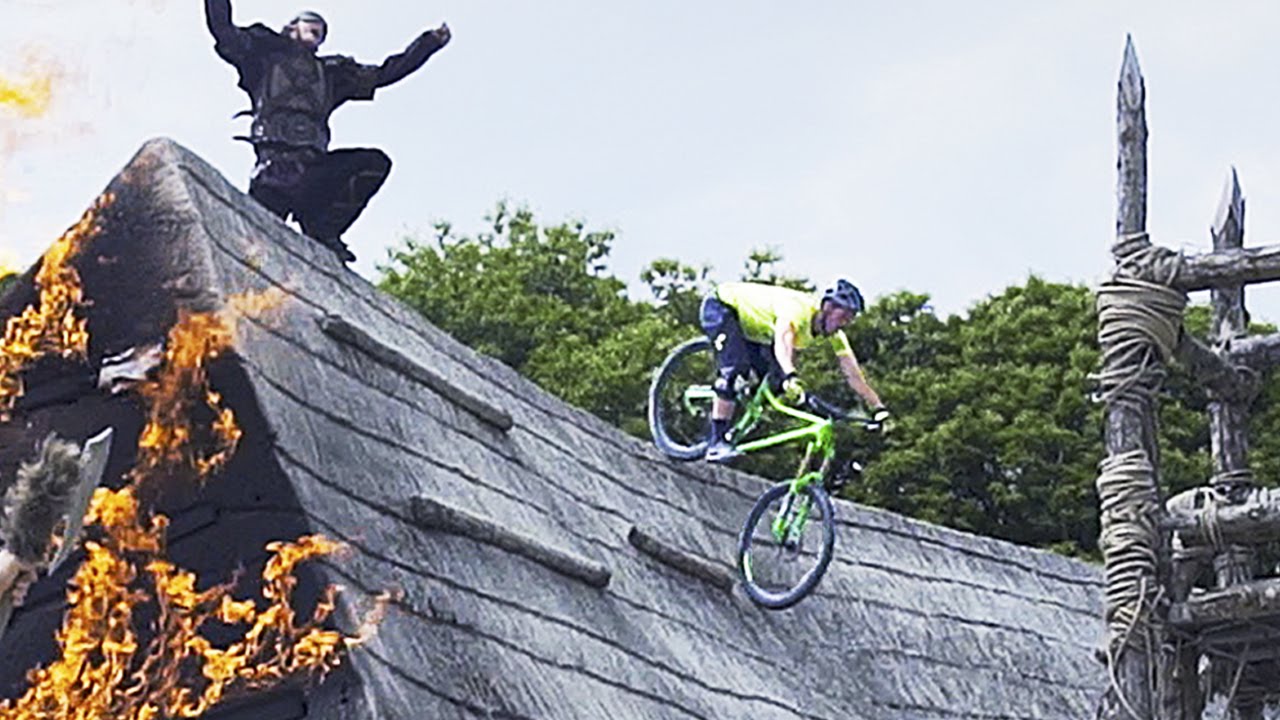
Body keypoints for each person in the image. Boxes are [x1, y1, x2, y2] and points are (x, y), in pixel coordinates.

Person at [204, 3, 452, 262]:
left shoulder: (332, 74)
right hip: (273, 172)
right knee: (252, 249)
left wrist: (428, 44)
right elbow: (224, 30)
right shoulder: (263, 56)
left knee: (373, 163)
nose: (319, 29)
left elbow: (384, 73)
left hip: (313, 173)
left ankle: (323, 229)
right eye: (311, 23)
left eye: (323, 31)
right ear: (291, 27)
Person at [699, 279, 888, 462]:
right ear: (828, 308)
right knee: (735, 372)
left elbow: (854, 376)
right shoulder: (797, 311)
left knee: (774, 385)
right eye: (844, 316)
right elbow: (783, 344)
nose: (845, 323)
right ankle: (716, 443)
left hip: (753, 329)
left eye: (850, 318)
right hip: (723, 307)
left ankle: (733, 416)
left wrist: (878, 408)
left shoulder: (835, 335)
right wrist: (790, 375)